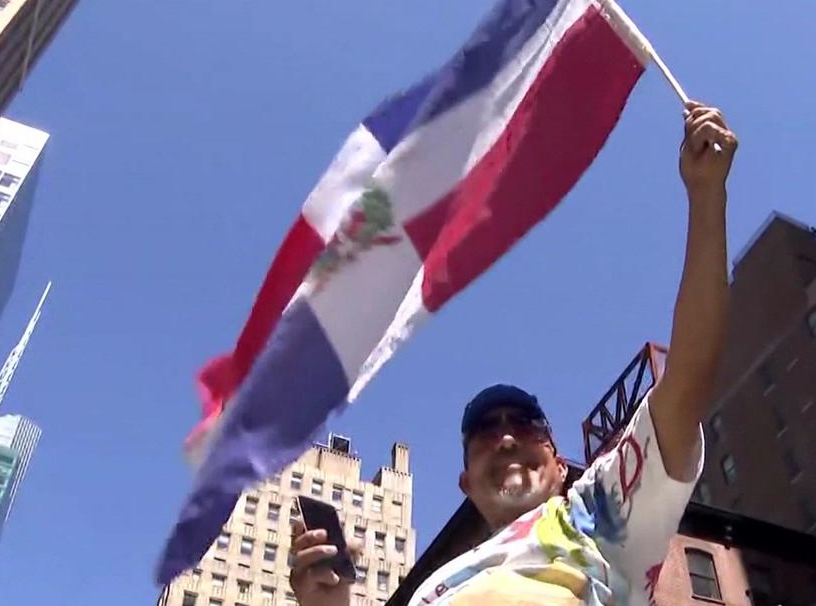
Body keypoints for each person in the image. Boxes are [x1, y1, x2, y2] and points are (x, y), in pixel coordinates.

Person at [288, 101, 736, 605]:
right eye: (483, 433)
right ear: (465, 484)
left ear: (560, 466)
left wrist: (706, 195)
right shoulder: (431, 590)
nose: (503, 438)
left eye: (524, 425)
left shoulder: (596, 516)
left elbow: (685, 385)